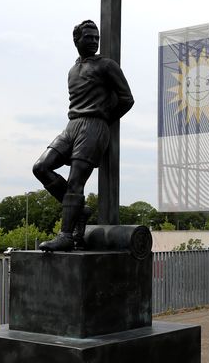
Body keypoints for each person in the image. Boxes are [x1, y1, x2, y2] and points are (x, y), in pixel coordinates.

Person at [32, 20, 134, 251]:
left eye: (97, 38)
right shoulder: (72, 70)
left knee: (76, 182)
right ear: (76, 40)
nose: (94, 41)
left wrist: (104, 120)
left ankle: (66, 235)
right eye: (89, 37)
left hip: (93, 126)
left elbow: (127, 99)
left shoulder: (107, 65)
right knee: (41, 167)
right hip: (72, 125)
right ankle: (80, 211)